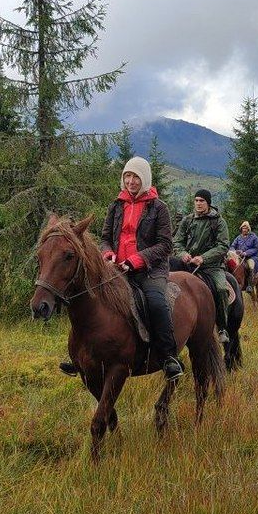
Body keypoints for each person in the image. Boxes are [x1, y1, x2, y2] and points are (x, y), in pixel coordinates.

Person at [61, 157, 182, 380]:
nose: (131, 181)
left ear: (144, 179)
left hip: (149, 271)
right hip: (116, 269)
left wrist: (136, 260)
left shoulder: (159, 208)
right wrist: (108, 254)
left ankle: (168, 357)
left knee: (156, 302)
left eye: (136, 177)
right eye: (127, 176)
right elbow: (106, 238)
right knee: (89, 301)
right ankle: (79, 355)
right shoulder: (116, 205)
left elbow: (165, 245)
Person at [174, 188, 231, 344]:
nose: (198, 203)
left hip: (212, 266)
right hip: (188, 264)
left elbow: (223, 245)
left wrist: (203, 258)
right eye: (196, 200)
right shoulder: (187, 220)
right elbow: (177, 241)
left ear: (208, 203)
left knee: (220, 288)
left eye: (202, 201)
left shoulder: (218, 221)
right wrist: (182, 254)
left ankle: (222, 327)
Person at [230, 221, 258, 289]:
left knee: (250, 266)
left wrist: (246, 253)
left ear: (248, 229)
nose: (244, 230)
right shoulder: (238, 238)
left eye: (246, 228)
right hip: (239, 257)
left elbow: (256, 248)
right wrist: (235, 251)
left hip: (251, 257)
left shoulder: (254, 237)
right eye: (243, 228)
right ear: (241, 229)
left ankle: (249, 285)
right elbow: (232, 246)